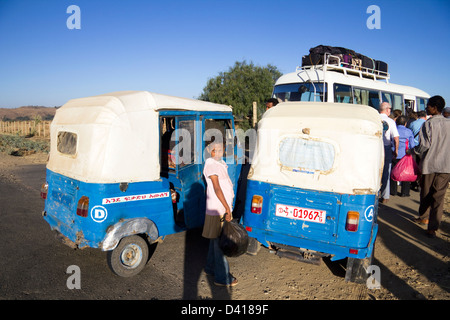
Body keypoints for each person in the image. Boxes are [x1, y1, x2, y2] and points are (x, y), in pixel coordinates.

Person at [412, 96, 450, 238]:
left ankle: (424, 216)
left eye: (428, 105)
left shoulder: (428, 124)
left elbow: (424, 146)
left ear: (434, 107)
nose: (426, 107)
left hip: (430, 164)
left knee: (426, 193)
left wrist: (413, 151)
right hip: (446, 166)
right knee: (438, 197)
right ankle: (432, 228)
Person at [202, 140, 238, 286]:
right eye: (215, 150)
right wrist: (227, 208)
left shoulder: (220, 163)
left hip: (219, 208)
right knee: (220, 244)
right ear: (210, 151)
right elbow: (217, 189)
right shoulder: (211, 165)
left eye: (221, 149)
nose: (219, 152)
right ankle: (222, 278)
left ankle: (210, 268)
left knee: (214, 241)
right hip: (218, 210)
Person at [390, 115, 416, 197]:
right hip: (405, 155)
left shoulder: (394, 130)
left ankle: (393, 191)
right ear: (405, 123)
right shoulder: (408, 132)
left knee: (393, 173)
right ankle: (405, 192)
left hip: (394, 154)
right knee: (405, 173)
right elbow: (412, 145)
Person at [379, 102, 399, 203]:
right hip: (386, 148)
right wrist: (395, 151)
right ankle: (385, 196)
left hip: (375, 148)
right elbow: (396, 138)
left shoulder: (374, 118)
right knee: (386, 171)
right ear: (387, 110)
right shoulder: (390, 121)